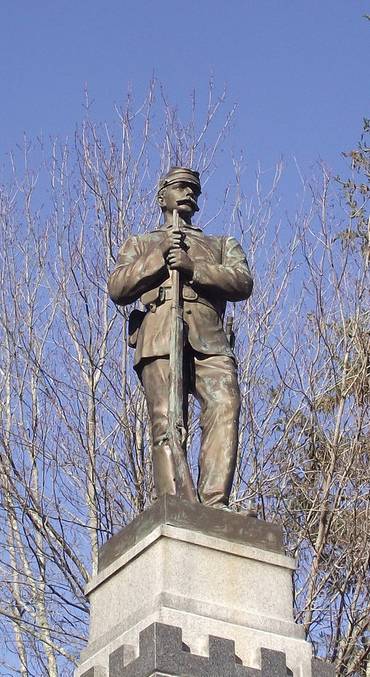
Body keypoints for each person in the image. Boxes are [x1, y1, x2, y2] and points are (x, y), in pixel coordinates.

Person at [108, 167, 253, 508]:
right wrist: (158, 259)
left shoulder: (221, 244)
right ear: (162, 196)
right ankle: (175, 502)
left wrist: (194, 269)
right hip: (159, 332)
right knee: (167, 419)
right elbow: (118, 287)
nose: (189, 193)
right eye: (181, 186)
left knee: (226, 404)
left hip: (210, 337)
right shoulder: (140, 243)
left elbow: (242, 282)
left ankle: (215, 502)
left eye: (194, 189)